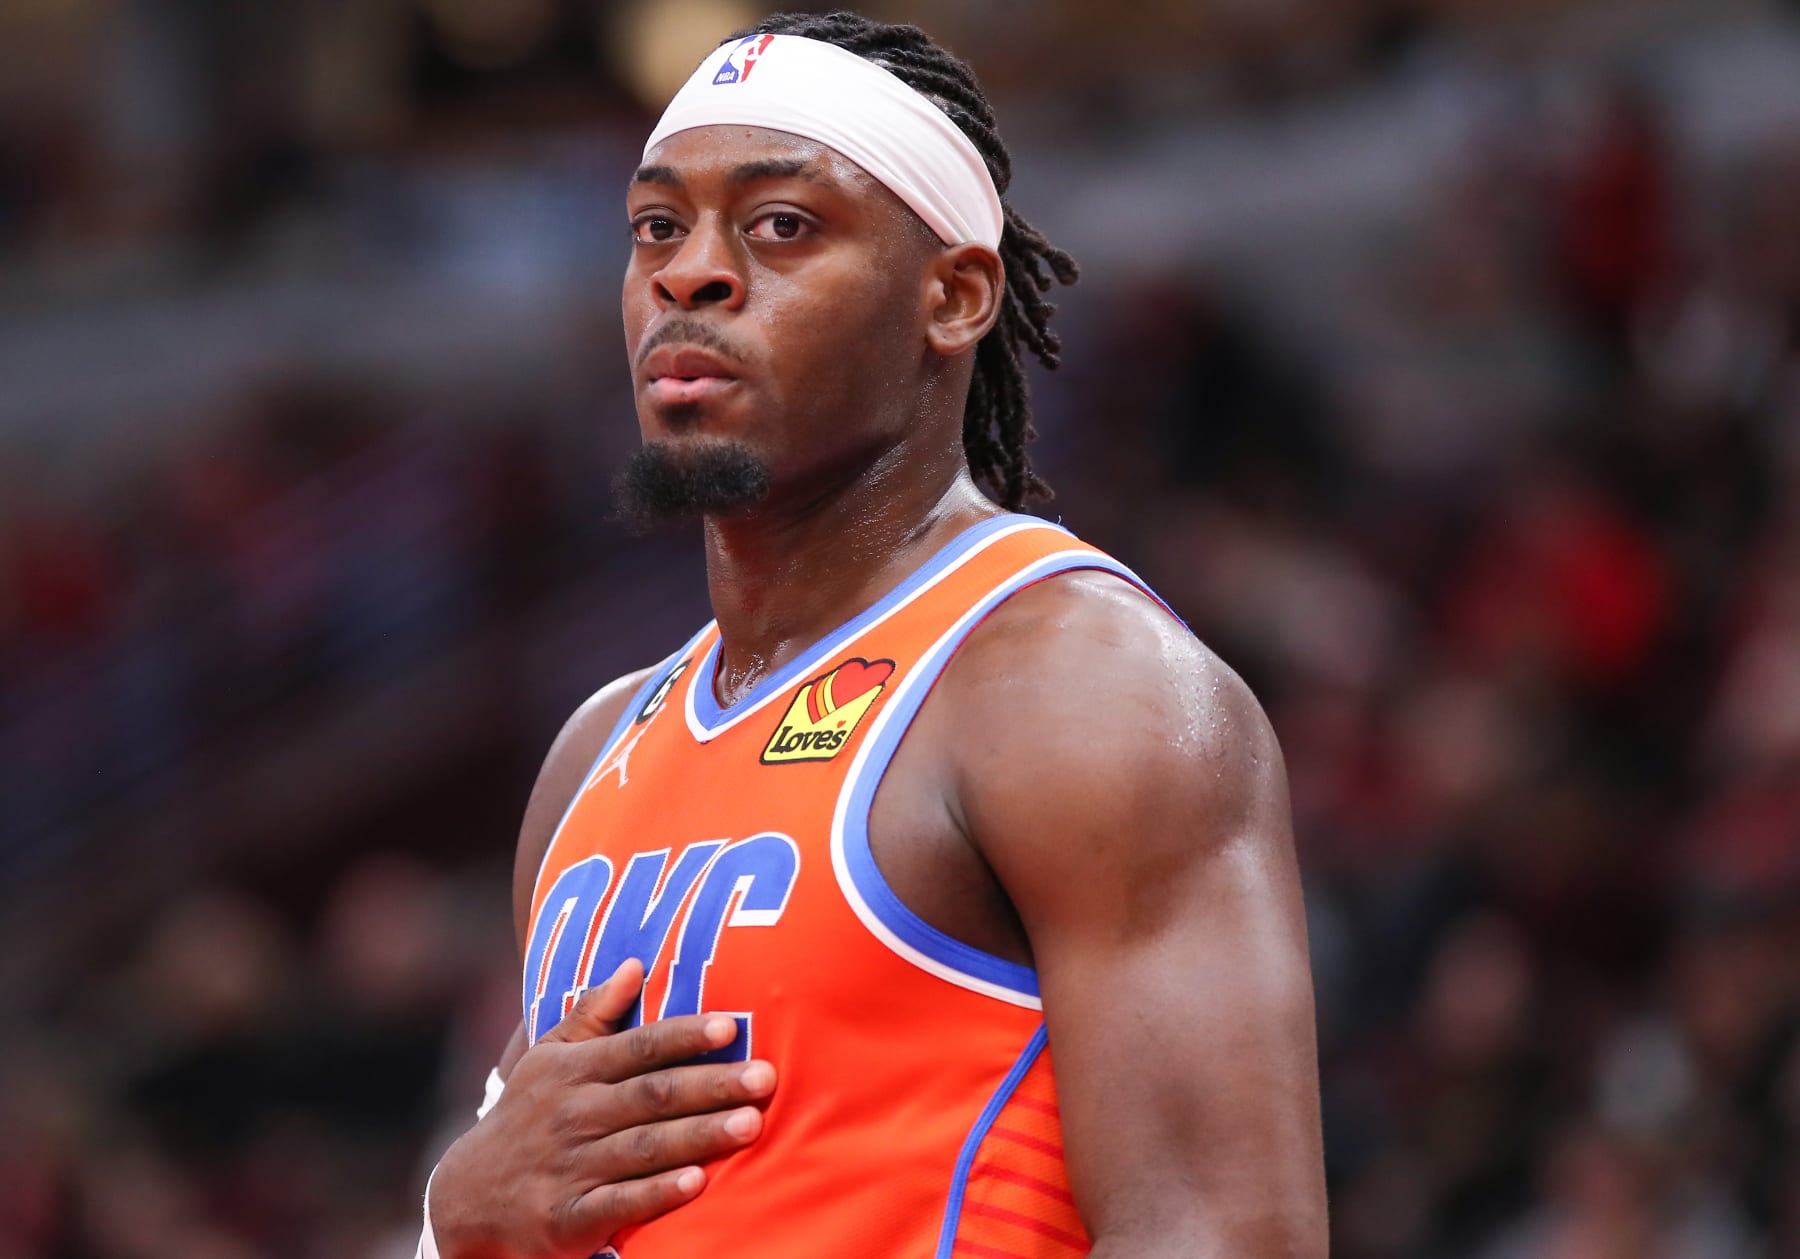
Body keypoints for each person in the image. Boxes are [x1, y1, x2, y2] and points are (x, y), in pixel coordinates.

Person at [422, 11, 1326, 1258]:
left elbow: (1226, 1234)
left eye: (781, 224)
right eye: (656, 228)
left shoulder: (1073, 681)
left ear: (950, 297)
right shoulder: (593, 753)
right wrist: (450, 1218)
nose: (692, 271)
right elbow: (515, 1209)